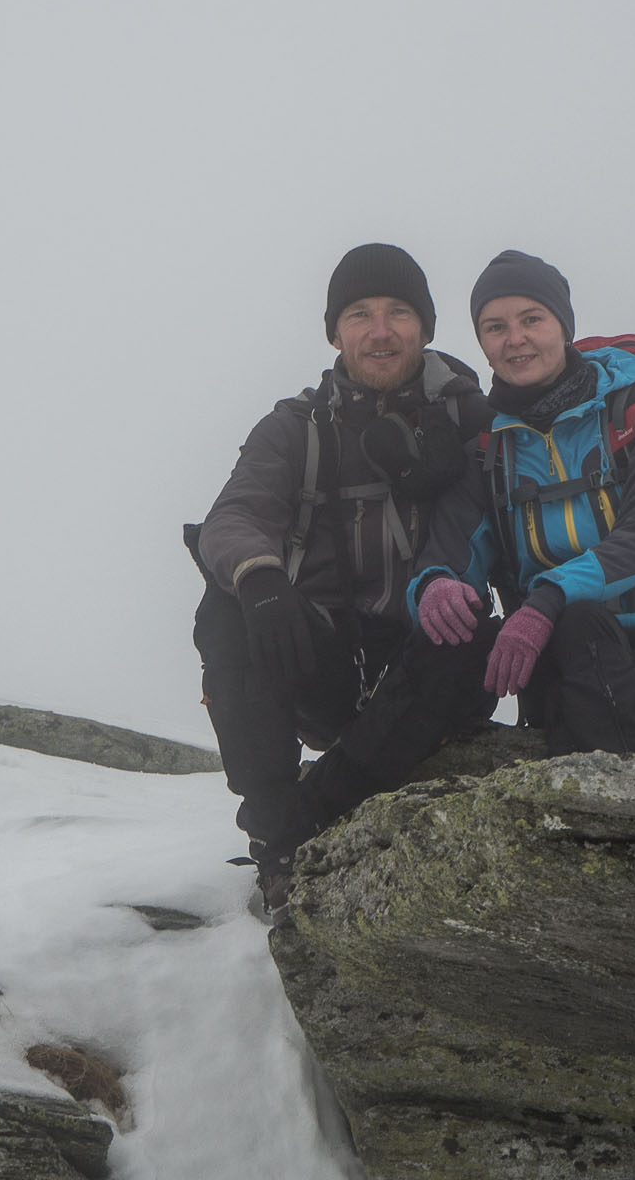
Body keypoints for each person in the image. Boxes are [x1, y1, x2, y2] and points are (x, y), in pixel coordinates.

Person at [191, 242, 498, 910]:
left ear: (425, 328)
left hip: (429, 666)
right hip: (324, 660)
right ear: (335, 332)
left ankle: (308, 814)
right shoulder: (296, 428)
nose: (380, 330)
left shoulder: (476, 420)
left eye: (398, 312)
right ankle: (272, 820)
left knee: (471, 631)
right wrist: (261, 578)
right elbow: (233, 517)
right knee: (226, 606)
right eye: (360, 314)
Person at [409, 250, 635, 758]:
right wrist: (436, 584)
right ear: (483, 344)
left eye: (531, 319)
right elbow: (453, 548)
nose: (514, 339)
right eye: (495, 327)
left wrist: (549, 600)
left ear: (563, 325)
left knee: (580, 624)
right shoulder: (487, 448)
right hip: (559, 651)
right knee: (576, 632)